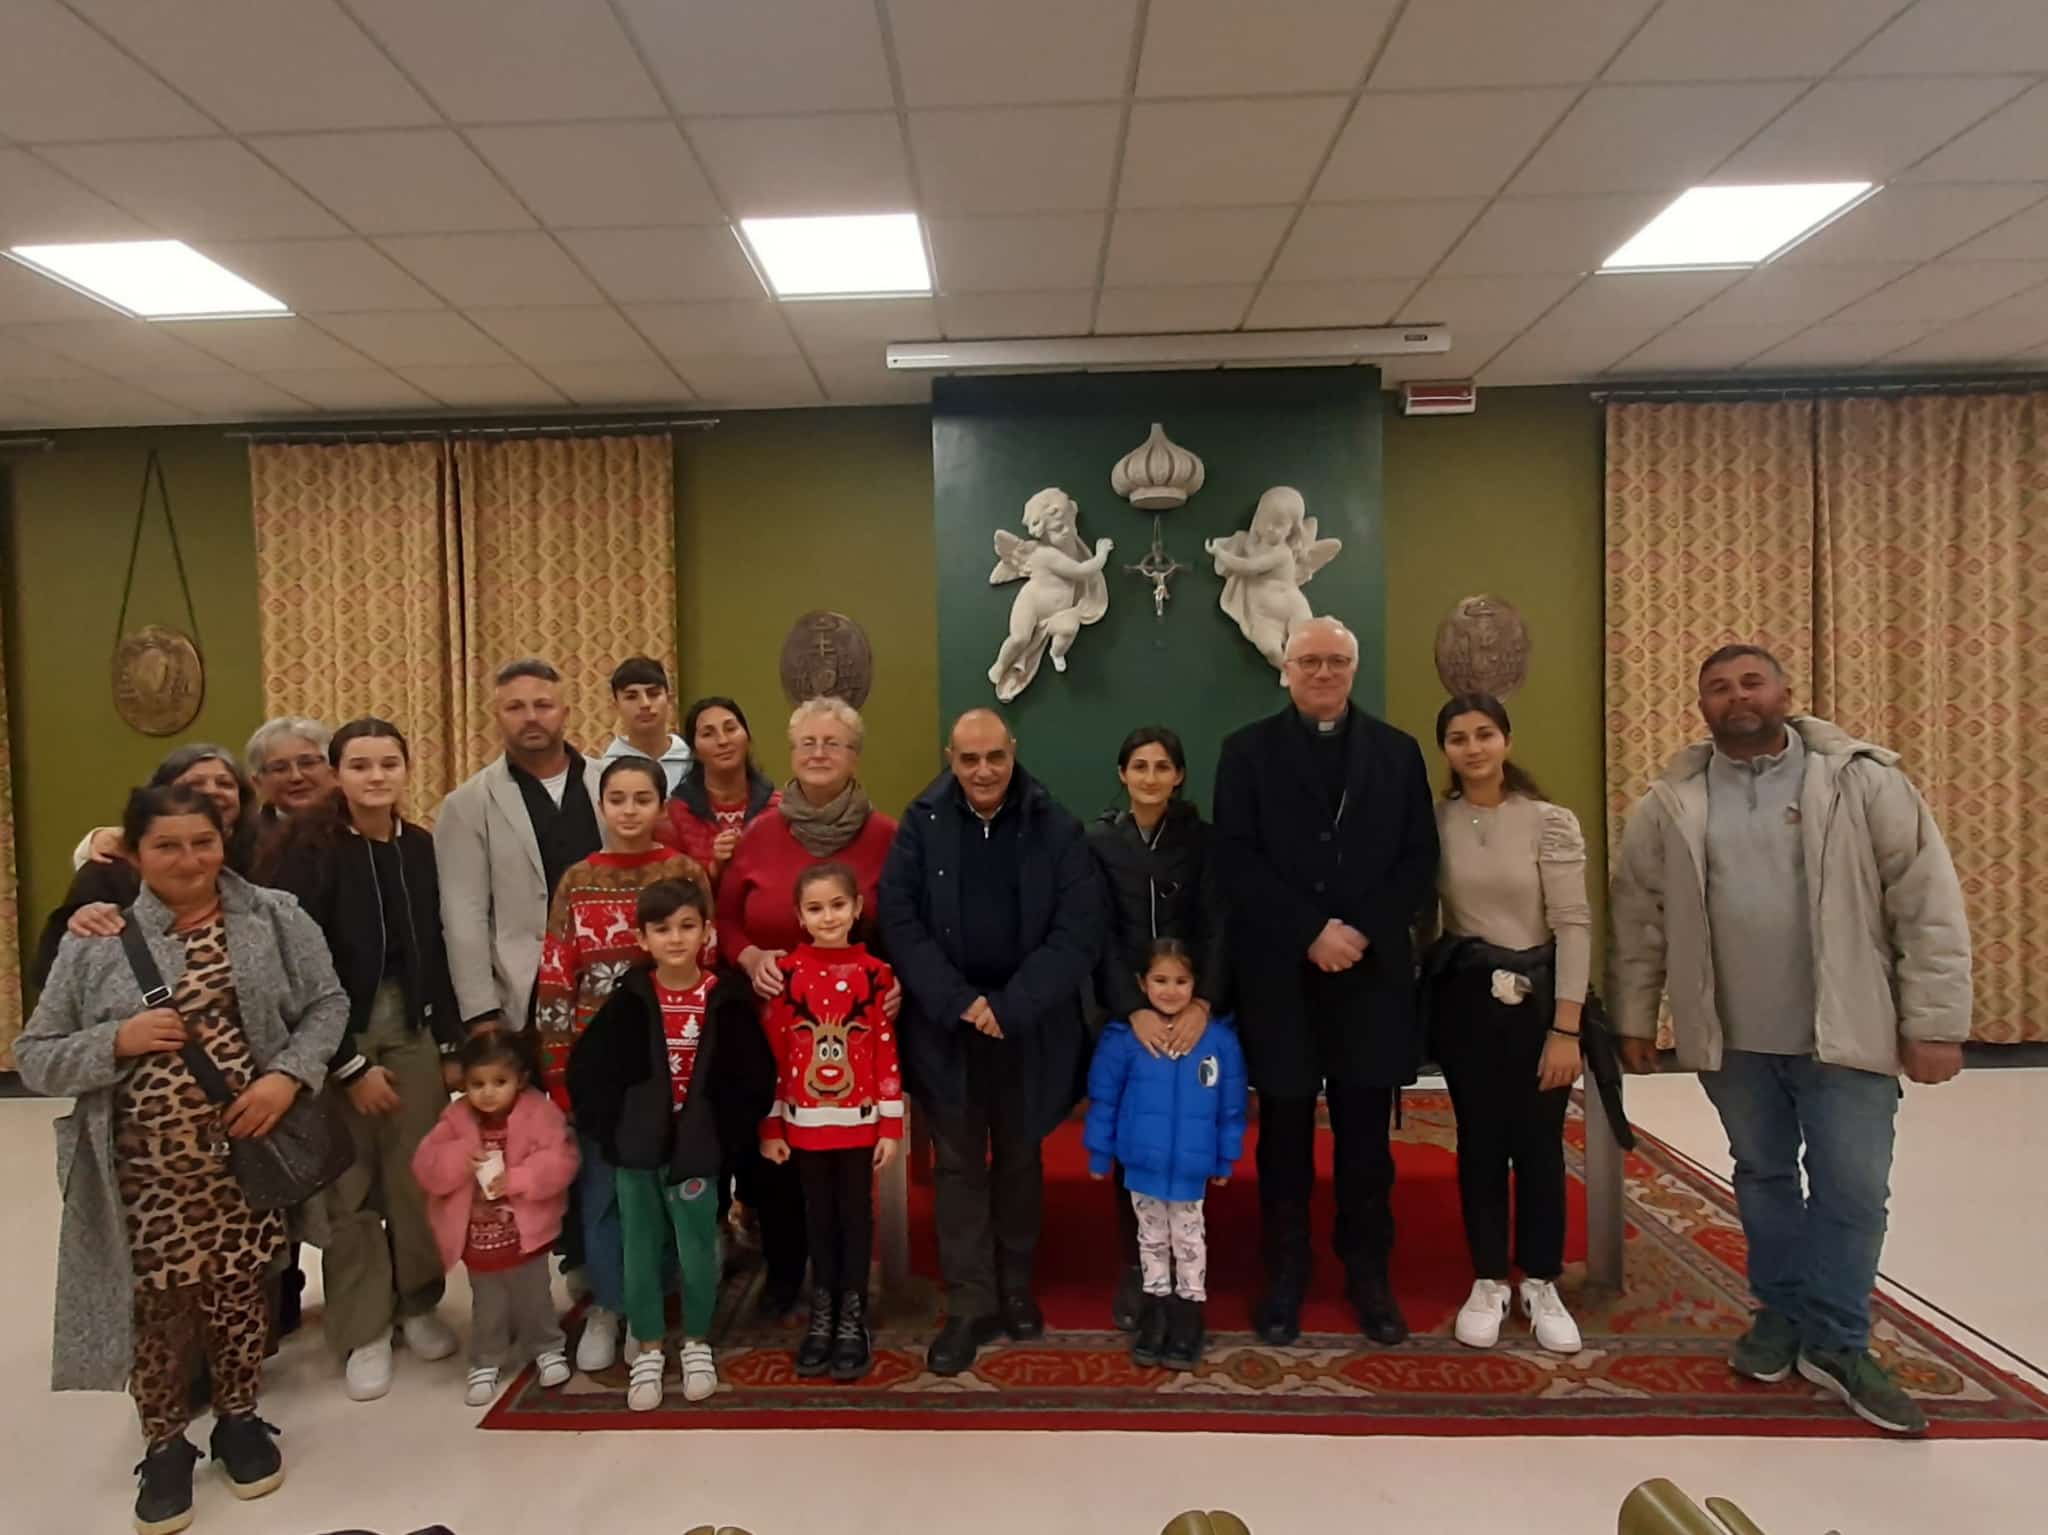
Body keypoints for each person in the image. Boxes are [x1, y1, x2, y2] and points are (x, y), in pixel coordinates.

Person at [1610, 645, 1971, 1436]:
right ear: (1701, 705)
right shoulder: (1671, 802)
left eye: (1751, 682)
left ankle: (1839, 1340)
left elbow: (1926, 902)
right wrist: (1636, 1016)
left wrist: (1936, 1024)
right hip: (1734, 1041)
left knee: (1852, 1189)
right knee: (1764, 1176)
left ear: (1784, 691)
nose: (1736, 696)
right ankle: (1778, 1312)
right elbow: (1639, 918)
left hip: (1847, 1032)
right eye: (1718, 687)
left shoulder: (1861, 781)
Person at [18, 782, 347, 1535]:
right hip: (141, 1172)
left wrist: (286, 1076)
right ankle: (164, 1443)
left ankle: (239, 1418)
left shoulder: (275, 917)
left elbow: (327, 1005)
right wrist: (115, 1039)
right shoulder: (95, 939)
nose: (189, 859)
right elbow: (34, 1055)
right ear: (134, 854)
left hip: (244, 1154)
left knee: (240, 1291)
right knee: (157, 1309)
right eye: (167, 845)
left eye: (203, 842)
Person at [1212, 615, 1439, 1347]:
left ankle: (1368, 1274)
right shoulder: (1244, 751)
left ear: (1353, 669)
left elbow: (1417, 858)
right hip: (1282, 973)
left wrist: (1359, 931)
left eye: (1335, 660)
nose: (1322, 672)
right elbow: (1235, 859)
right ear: (1285, 670)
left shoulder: (1398, 753)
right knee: (1282, 1137)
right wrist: (1310, 931)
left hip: (1370, 976)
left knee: (1366, 1140)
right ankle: (1285, 1274)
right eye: (1308, 660)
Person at [879, 708, 1105, 1376]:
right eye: (969, 759)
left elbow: (1078, 928)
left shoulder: (1057, 826)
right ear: (950, 757)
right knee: (957, 1166)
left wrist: (1011, 1006)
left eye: (995, 757)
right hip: (947, 1024)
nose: (983, 771)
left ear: (1014, 753)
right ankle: (969, 1302)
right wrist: (960, 1002)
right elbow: (899, 919)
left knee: (1019, 1158)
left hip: (1027, 1024)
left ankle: (1015, 1286)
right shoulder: (921, 824)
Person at [263, 717, 465, 1402]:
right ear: (337, 774)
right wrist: (347, 1065)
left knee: (418, 1174)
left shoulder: (420, 847)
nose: (376, 777)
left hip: (412, 1027)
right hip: (334, 1037)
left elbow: (437, 945)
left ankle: (418, 1302)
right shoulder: (307, 854)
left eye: (388, 764)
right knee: (349, 1188)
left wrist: (450, 1043)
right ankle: (364, 1327)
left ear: (406, 769)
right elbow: (297, 969)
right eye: (360, 765)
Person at [719, 697, 899, 1319]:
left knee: (843, 1170)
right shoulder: (759, 833)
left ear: (855, 757)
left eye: (833, 743)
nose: (819, 753)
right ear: (791, 753)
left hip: (853, 1031)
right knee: (774, 1153)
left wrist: (897, 982)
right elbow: (724, 920)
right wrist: (748, 958)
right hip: (769, 1024)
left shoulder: (886, 837)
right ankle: (784, 1269)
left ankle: (845, 1286)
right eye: (807, 743)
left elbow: (906, 926)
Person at [533, 754, 713, 1374]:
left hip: (672, 1060)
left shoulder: (684, 872)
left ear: (662, 806)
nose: (630, 810)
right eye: (617, 799)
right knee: (604, 1190)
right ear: (601, 806)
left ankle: (656, 1307)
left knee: (663, 1191)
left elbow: (708, 963)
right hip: (599, 1069)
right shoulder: (578, 880)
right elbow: (557, 976)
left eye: (643, 798)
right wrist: (558, 1073)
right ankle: (609, 1306)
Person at [1426, 694, 1590, 1356]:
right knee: (1481, 1142)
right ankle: (1489, 1277)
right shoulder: (1435, 822)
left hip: (1541, 1006)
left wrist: (1567, 1029)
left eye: (1484, 734)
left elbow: (1573, 924)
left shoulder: (1548, 821)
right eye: (1459, 738)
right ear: (1445, 749)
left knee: (1540, 1144)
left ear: (1507, 740)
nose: (1473, 748)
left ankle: (1541, 1280)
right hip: (1467, 1004)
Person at [1086, 725, 1230, 1331]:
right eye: (1139, 766)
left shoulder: (1205, 842)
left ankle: (1187, 1275)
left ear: (1179, 776)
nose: (1150, 777)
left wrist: (1202, 1004)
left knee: (1186, 1136)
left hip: (1193, 1014)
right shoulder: (1098, 843)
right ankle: (1138, 1268)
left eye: (1162, 766)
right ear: (1122, 774)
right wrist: (1133, 1008)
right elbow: (1095, 934)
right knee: (1136, 1139)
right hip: (1130, 1020)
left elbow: (1219, 926)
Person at [567, 880, 728, 1412]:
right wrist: (615, 1132)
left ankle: (697, 1341)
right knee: (639, 1246)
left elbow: (746, 1076)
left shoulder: (723, 998)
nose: (675, 939)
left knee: (697, 1248)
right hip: (637, 1152)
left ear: (706, 932)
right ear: (642, 938)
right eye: (662, 929)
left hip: (697, 1152)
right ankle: (650, 1345)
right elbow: (589, 1072)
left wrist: (722, 1134)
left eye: (687, 926)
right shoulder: (630, 1001)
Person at [759, 863, 902, 1382]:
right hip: (804, 1125)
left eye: (838, 905)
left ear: (857, 908)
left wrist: (890, 1125)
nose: (828, 917)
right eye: (815, 909)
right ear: (799, 916)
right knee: (817, 1217)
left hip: (859, 1124)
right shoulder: (787, 975)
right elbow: (776, 1054)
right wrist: (772, 1125)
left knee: (856, 1217)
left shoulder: (876, 975)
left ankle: (852, 1316)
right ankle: (824, 1311)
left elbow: (884, 1051)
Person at [1083, 940, 1246, 1373]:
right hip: (1142, 1165)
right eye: (1160, 980)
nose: (1170, 991)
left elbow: (1231, 1108)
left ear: (1196, 984)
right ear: (1142, 983)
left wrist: (1225, 1158)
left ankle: (1188, 1314)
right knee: (1151, 1239)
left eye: (1181, 981)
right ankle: (1155, 1309)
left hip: (1191, 1168)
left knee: (1189, 1242)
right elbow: (1104, 1100)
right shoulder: (1123, 1040)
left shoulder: (1219, 1041)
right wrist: (1099, 1154)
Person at [435, 658, 606, 1031]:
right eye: (515, 707)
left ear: (566, 713)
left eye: (543, 705)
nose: (531, 717)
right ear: (496, 717)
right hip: (525, 992)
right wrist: (481, 1012)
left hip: (612, 980)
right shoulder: (468, 804)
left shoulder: (609, 783)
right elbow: (464, 915)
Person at [412, 1027, 579, 1407]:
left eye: (499, 1082)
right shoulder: (455, 1120)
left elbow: (561, 1160)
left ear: (521, 1079)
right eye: (477, 1084)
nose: (488, 1093)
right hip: (477, 1237)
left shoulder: (540, 1113)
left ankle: (547, 1346)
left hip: (528, 1234)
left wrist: (518, 1179)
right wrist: (460, 1159)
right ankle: (486, 1358)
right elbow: (425, 1165)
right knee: (488, 1304)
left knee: (534, 1295)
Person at [35, 743, 262, 987]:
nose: (211, 791)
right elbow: (57, 979)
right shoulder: (109, 868)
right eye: (194, 784)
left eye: (225, 784)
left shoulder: (265, 855)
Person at [657, 695, 780, 883]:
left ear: (747, 737)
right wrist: (715, 868)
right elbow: (673, 891)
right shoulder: (674, 815)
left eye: (731, 729)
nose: (723, 741)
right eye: (708, 734)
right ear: (694, 750)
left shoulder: (778, 807)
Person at [600, 655, 692, 793]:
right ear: (616, 706)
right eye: (631, 697)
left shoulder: (695, 760)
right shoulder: (604, 770)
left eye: (653, 694)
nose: (645, 704)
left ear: (669, 699)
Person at [246, 716, 338, 826]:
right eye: (280, 768)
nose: (296, 777)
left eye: (307, 763)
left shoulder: (354, 825)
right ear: (258, 782)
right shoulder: (247, 833)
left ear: (334, 770)